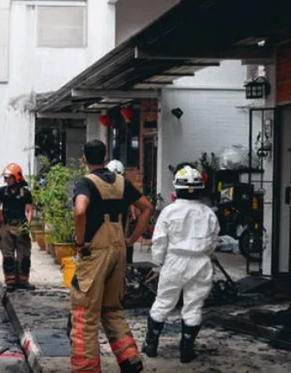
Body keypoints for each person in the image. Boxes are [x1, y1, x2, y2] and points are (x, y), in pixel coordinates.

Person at [70, 140, 153, 373]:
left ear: (84, 159)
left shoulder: (85, 183)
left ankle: (86, 369)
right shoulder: (121, 182)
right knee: (112, 308)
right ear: (105, 157)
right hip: (118, 250)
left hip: (94, 251)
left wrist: (79, 241)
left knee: (85, 315)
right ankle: (130, 359)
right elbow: (147, 207)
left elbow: (80, 210)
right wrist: (132, 239)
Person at [143, 165, 220, 364]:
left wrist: (158, 263)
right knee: (194, 306)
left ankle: (151, 345)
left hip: (174, 262)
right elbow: (213, 242)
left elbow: (159, 240)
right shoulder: (208, 213)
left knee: (163, 302)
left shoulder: (169, 212)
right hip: (200, 262)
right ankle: (187, 350)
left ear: (176, 188)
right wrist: (204, 254)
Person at [0, 163, 36, 292]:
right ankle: (10, 282)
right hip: (7, 226)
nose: (7, 180)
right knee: (8, 256)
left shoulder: (25, 193)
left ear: (17, 177)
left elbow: (29, 210)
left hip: (21, 225)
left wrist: (27, 225)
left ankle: (23, 281)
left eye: (9, 177)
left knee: (24, 256)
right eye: (6, 178)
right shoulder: (2, 191)